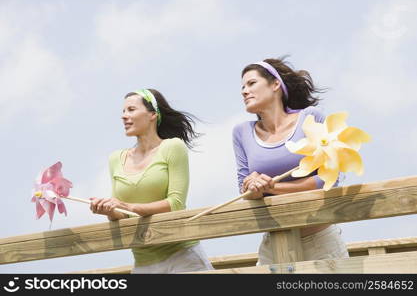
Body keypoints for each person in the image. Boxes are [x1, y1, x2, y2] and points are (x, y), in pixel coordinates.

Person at [232, 57, 349, 265]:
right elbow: (243, 188)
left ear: (275, 84)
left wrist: (273, 188)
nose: (244, 91)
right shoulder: (241, 132)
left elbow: (327, 179)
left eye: (251, 83)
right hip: (273, 244)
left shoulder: (310, 118)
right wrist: (253, 187)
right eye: (242, 86)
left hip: (320, 241)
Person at [89, 88, 213, 273]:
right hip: (143, 263)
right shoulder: (115, 158)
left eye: (131, 109)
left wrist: (128, 206)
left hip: (182, 256)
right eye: (123, 111)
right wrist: (108, 209)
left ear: (152, 115)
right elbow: (120, 213)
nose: (124, 116)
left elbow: (175, 203)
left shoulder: (173, 147)